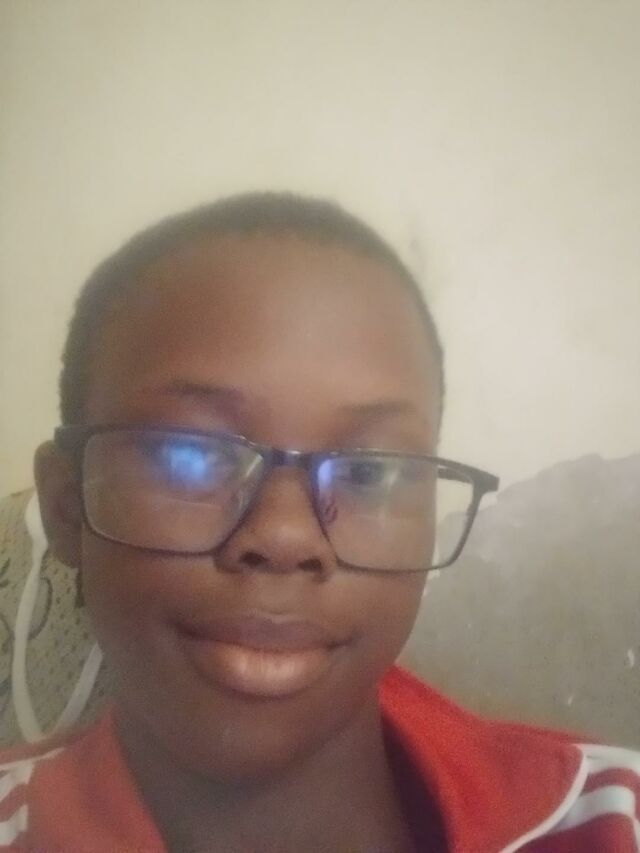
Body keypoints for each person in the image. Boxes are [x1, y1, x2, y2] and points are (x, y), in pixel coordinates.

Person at [1, 193, 638, 852]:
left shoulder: (609, 823)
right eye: (189, 453)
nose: (285, 537)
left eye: (368, 471)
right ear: (66, 504)